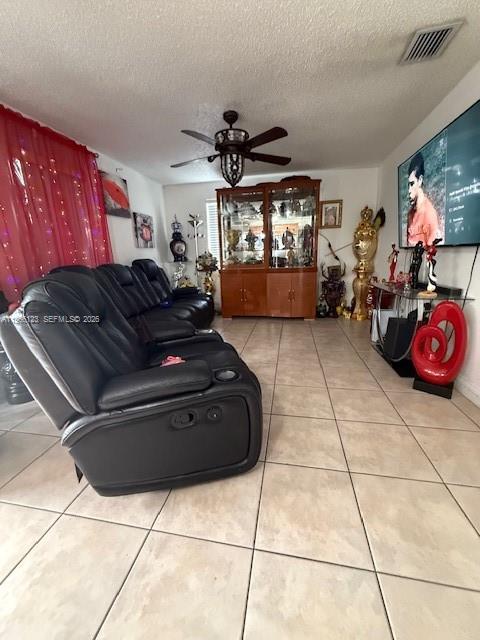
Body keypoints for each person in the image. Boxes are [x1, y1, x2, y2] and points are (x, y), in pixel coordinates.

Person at [406, 152, 440, 246]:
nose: (409, 190)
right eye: (408, 185)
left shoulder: (429, 214)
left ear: (420, 180)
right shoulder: (410, 214)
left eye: (412, 184)